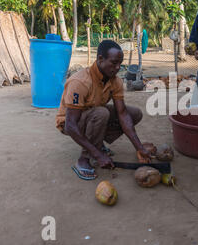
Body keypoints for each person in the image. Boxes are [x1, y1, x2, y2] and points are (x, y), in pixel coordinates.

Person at [55, 40, 152, 180]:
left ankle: (97, 144)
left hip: (94, 115)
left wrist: (139, 148)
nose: (118, 67)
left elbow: (122, 114)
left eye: (120, 64)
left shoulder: (115, 81)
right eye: (114, 63)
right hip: (69, 123)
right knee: (101, 113)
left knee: (134, 114)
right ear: (100, 59)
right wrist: (98, 155)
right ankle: (84, 159)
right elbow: (70, 125)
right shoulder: (80, 82)